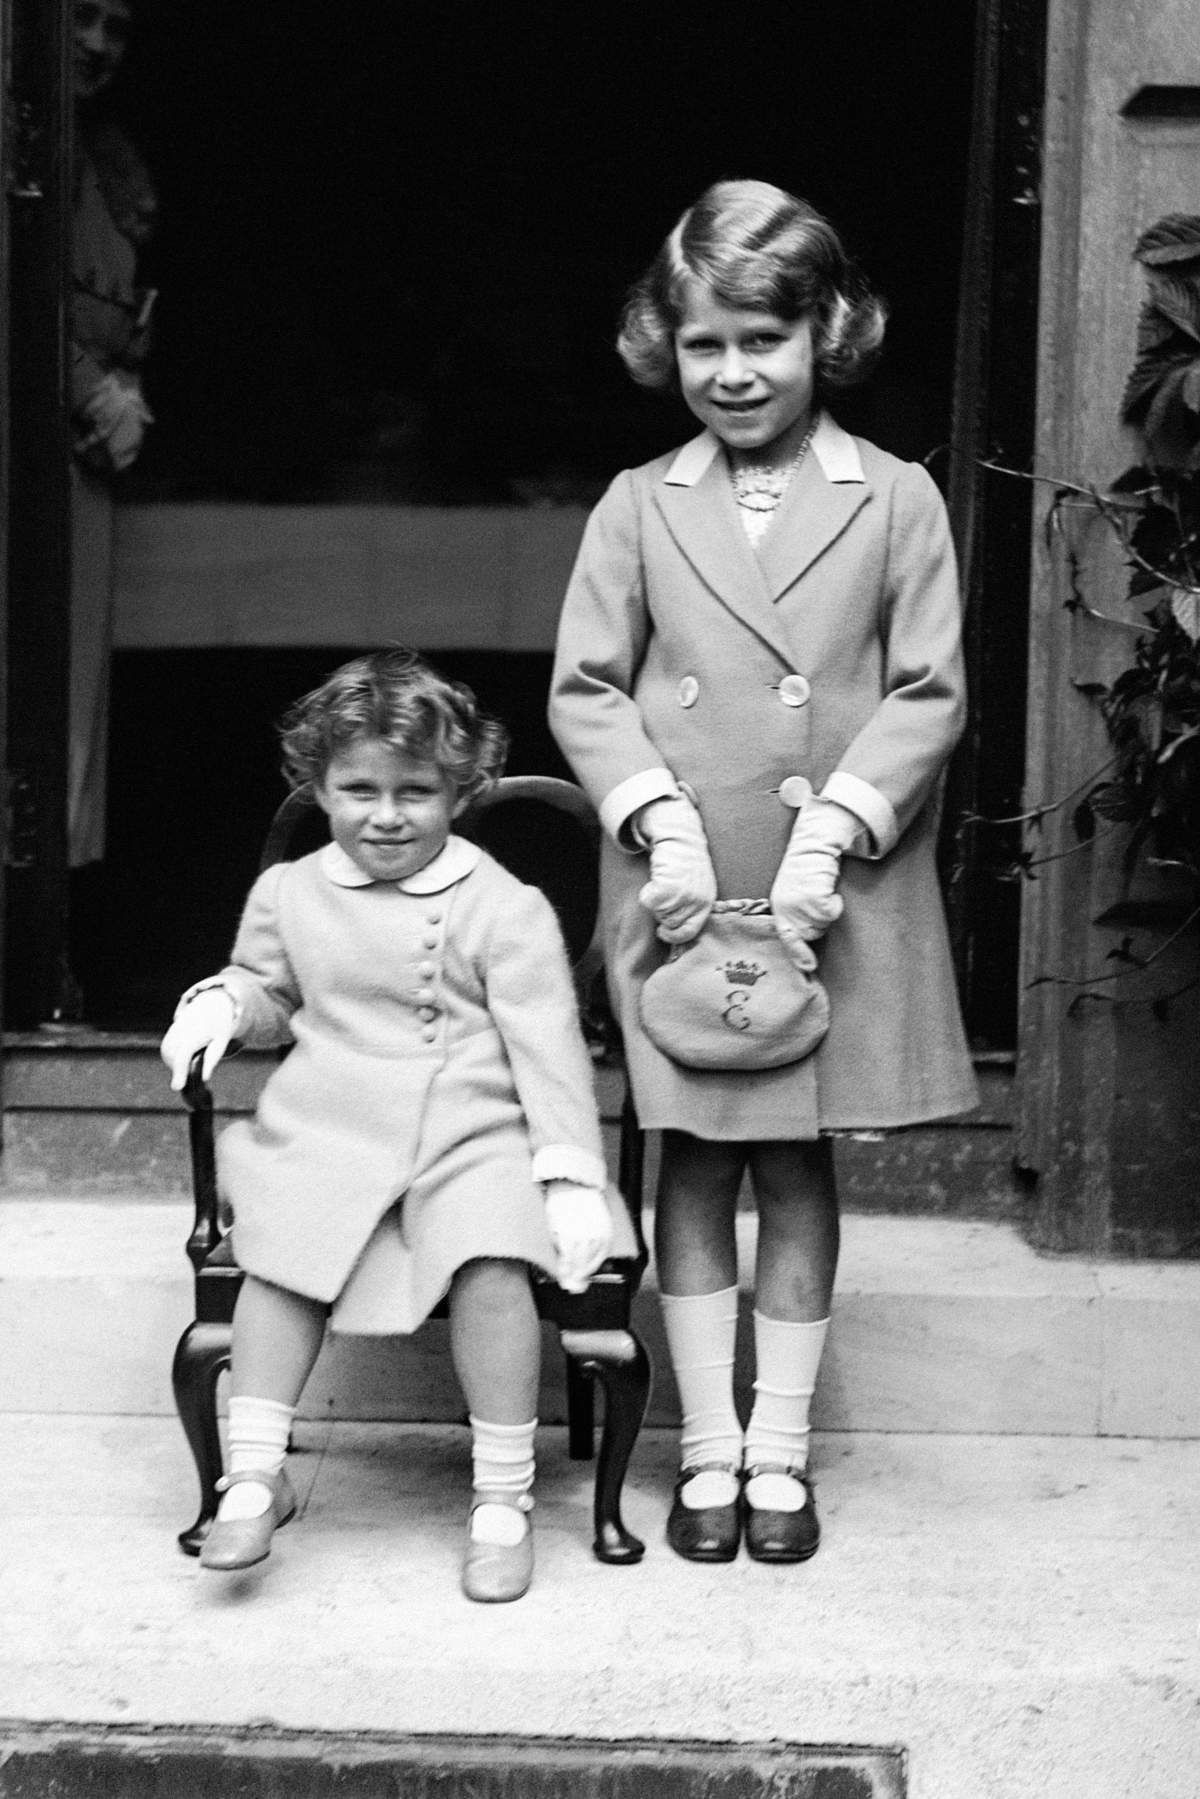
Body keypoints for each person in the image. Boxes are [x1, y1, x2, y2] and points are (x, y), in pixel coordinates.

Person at [549, 179, 978, 1566]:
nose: (732, 373)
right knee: (687, 1155)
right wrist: (655, 818)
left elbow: (927, 690)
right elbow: (587, 685)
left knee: (794, 1160)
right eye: (702, 346)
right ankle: (708, 1449)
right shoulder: (635, 504)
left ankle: (780, 1451)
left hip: (822, 884)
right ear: (661, 347)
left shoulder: (896, 496)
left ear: (826, 334)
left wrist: (837, 824)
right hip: (689, 882)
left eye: (763, 341)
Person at [160, 650, 630, 1603]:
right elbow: (267, 987)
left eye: (416, 790)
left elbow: (545, 1043)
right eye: (358, 788)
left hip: (473, 1123)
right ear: (317, 786)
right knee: (281, 1253)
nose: (386, 813)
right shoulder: (290, 893)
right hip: (329, 1118)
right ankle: (253, 1474)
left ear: (460, 791)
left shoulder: (502, 903)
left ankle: (502, 1496)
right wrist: (222, 1004)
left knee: (494, 1257)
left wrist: (571, 1170)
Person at [70, 0, 157, 871]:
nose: (97, 44)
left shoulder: (103, 152)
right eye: (79, 18)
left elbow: (117, 303)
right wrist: (92, 391)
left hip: (79, 459)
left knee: (69, 702)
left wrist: (125, 384)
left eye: (118, 28)